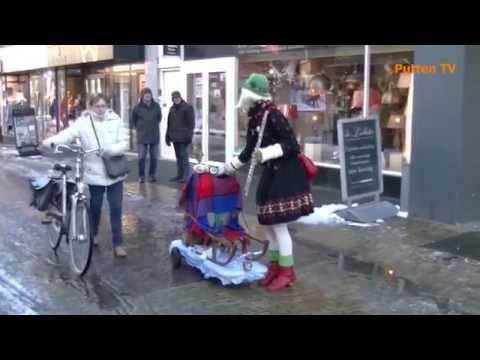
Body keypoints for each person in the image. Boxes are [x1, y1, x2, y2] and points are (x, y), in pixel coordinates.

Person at [222, 74, 314, 291]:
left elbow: (292, 145)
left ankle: (287, 271)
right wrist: (228, 168)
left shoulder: (272, 115)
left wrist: (266, 153)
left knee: (279, 227)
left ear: (251, 95)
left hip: (286, 175)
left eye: (245, 92)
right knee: (270, 225)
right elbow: (248, 151)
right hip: (272, 174)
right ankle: (275, 267)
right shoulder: (256, 118)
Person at [42, 94, 129, 258]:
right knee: (95, 208)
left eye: (103, 106)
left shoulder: (116, 120)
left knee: (116, 209)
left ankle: (118, 244)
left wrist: (110, 150)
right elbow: (67, 135)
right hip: (94, 173)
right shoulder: (83, 122)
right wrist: (50, 142)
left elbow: (124, 143)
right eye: (97, 106)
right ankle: (94, 234)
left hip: (114, 172)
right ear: (91, 107)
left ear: (108, 106)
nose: (101, 109)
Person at [131, 87, 162, 183]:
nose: (148, 96)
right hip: (142, 136)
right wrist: (139, 128)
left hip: (154, 135)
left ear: (151, 96)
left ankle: (152, 175)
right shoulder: (137, 108)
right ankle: (141, 176)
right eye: (146, 95)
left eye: (149, 94)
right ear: (142, 96)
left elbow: (159, 118)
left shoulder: (156, 106)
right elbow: (133, 120)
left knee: (154, 157)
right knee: (141, 157)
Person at [166, 91, 195, 183]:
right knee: (178, 157)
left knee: (183, 156)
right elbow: (169, 123)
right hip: (175, 137)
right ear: (172, 99)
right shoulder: (172, 109)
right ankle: (179, 175)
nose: (176, 100)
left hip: (183, 137)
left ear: (180, 97)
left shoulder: (187, 107)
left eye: (177, 98)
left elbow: (191, 124)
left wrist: (189, 136)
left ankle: (185, 176)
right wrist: (167, 136)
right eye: (174, 98)